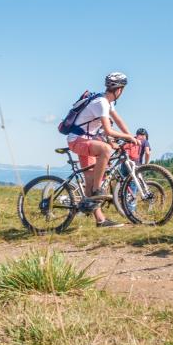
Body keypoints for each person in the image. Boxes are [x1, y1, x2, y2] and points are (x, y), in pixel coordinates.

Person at [67, 72, 138, 228]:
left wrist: (129, 136)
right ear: (120, 89)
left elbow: (118, 120)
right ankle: (97, 190)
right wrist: (129, 138)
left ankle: (100, 220)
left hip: (86, 140)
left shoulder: (108, 103)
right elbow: (107, 130)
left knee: (90, 179)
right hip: (78, 140)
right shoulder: (102, 103)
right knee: (105, 150)